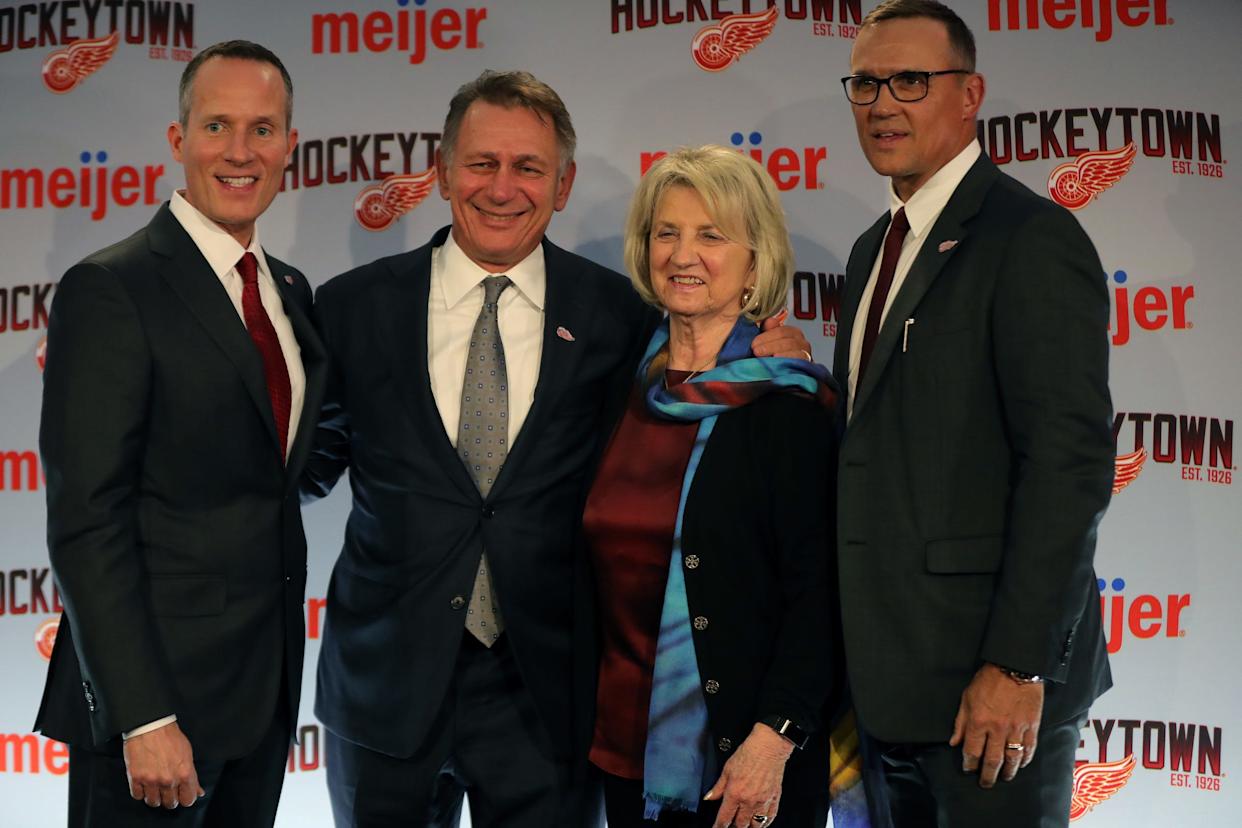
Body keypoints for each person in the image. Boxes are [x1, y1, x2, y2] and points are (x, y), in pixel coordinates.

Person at [303, 72, 810, 828]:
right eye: (481, 164)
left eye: (529, 167)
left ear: (564, 184)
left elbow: (701, 401)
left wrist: (769, 347)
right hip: (382, 695)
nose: (502, 188)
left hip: (549, 699)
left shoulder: (620, 317)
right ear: (442, 173)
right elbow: (304, 469)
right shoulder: (349, 307)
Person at [832, 2, 1115, 826]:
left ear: (970, 94)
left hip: (987, 699)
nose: (883, 104)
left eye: (911, 81)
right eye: (866, 84)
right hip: (887, 692)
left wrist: (1018, 666)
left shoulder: (1031, 237)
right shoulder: (869, 250)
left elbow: (1068, 466)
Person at [34, 40, 323, 827]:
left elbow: (284, 464)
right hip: (156, 720)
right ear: (178, 139)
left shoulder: (289, 291)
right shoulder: (113, 288)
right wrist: (143, 716)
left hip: (261, 707)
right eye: (217, 126)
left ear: (290, 146)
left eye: (263, 130)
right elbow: (88, 521)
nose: (240, 151)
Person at [584, 145, 870, 828]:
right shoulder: (617, 389)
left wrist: (774, 739)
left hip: (745, 770)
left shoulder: (786, 406)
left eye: (711, 235)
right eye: (667, 232)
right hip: (616, 758)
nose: (684, 254)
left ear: (754, 260)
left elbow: (820, 596)